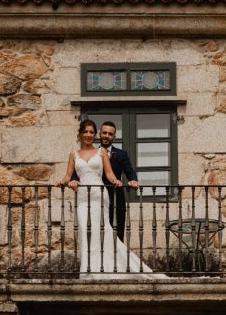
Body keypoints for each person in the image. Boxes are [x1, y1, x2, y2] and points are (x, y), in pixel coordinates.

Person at [56, 119, 165, 279]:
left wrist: (118, 181)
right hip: (82, 198)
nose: (88, 135)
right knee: (86, 233)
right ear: (80, 133)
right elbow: (68, 175)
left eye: (91, 132)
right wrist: (63, 181)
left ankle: (109, 268)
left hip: (99, 196)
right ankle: (88, 271)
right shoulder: (73, 154)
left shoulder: (101, 152)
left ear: (96, 135)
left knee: (102, 230)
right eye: (85, 131)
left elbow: (110, 174)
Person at [70, 121, 138, 241]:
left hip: (116, 199)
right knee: (96, 234)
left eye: (110, 134)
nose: (107, 135)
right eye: (104, 133)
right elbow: (78, 170)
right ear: (99, 134)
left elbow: (129, 171)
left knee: (117, 234)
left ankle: (116, 259)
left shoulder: (122, 154)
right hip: (95, 198)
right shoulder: (91, 153)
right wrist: (74, 180)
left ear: (114, 137)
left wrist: (133, 180)